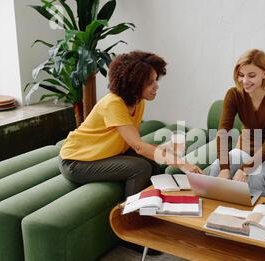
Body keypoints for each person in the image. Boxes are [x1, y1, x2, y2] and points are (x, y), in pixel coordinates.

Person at [59, 51, 202, 199]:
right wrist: (182, 164)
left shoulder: (138, 102)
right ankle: (131, 215)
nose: (156, 86)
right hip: (76, 161)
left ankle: (157, 204)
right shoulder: (113, 104)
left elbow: (132, 141)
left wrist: (164, 152)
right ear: (133, 84)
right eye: (150, 82)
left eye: (155, 80)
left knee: (152, 162)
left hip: (103, 154)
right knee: (141, 168)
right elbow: (138, 147)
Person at [209, 49, 265, 196]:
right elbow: (223, 132)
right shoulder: (233, 95)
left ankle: (252, 218)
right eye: (241, 75)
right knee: (216, 168)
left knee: (254, 177)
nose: (245, 81)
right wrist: (224, 168)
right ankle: (215, 214)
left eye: (251, 75)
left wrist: (245, 168)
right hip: (244, 150)